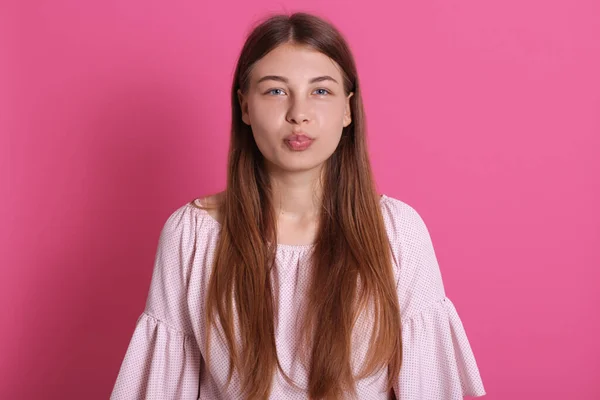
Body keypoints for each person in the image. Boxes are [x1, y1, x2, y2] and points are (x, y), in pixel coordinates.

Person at [110, 12, 486, 400]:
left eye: (320, 91)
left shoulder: (397, 232)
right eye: (275, 91)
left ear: (347, 110)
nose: (298, 114)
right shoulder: (192, 236)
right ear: (244, 107)